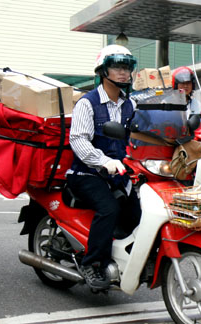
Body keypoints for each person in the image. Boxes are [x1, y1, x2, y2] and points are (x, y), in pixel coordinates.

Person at [66, 45, 141, 290]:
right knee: (109, 208)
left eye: (126, 67)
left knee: (138, 210)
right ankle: (93, 263)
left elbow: (138, 137)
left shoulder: (129, 105)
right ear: (103, 70)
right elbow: (77, 140)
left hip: (117, 173)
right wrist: (103, 161)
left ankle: (126, 258)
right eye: (117, 67)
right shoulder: (87, 104)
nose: (123, 73)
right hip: (86, 173)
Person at [171, 66, 201, 191]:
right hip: (176, 140)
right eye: (182, 83)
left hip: (196, 139)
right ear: (176, 84)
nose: (185, 86)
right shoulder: (169, 102)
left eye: (188, 83)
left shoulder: (196, 103)